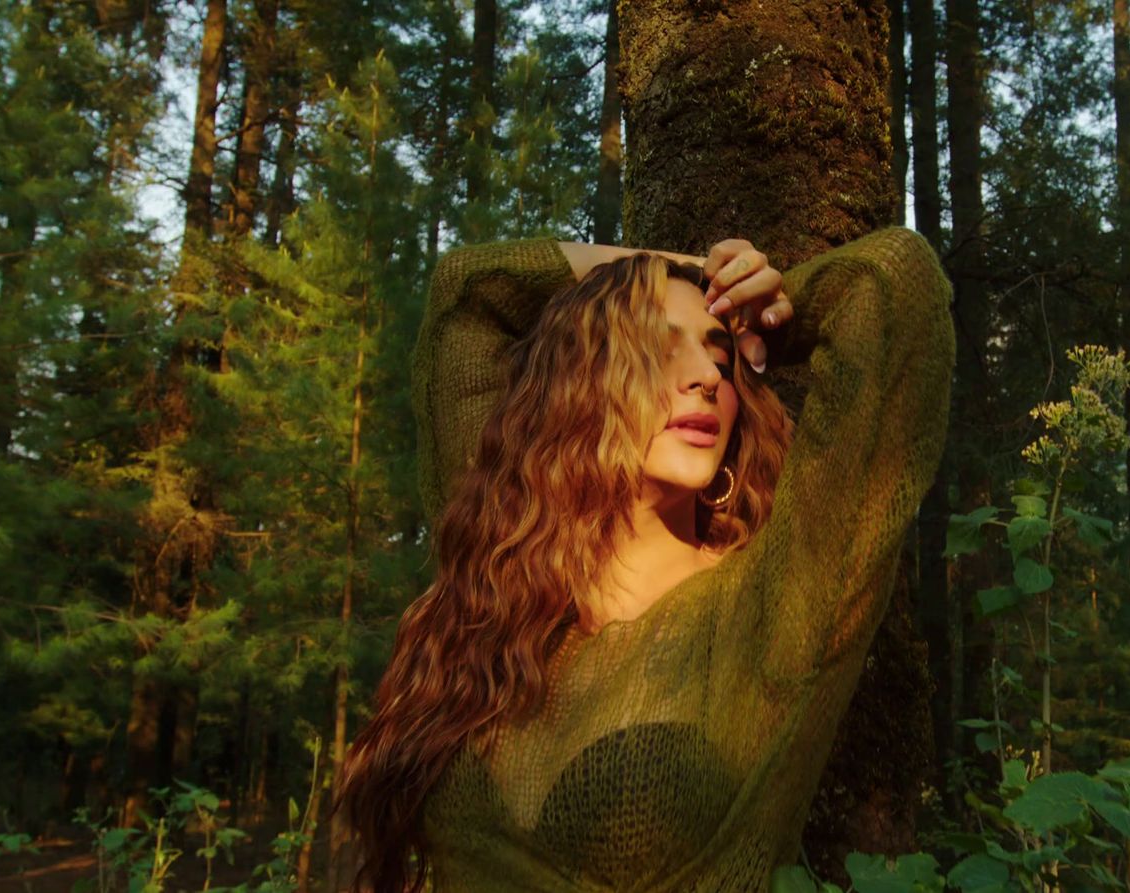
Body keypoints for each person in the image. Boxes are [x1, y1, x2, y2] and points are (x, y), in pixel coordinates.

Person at [335, 225, 955, 893]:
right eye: (657, 349)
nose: (705, 377)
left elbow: (892, 281)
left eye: (721, 357)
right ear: (575, 379)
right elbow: (467, 292)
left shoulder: (770, 607)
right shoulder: (499, 575)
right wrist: (689, 270)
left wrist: (764, 311)